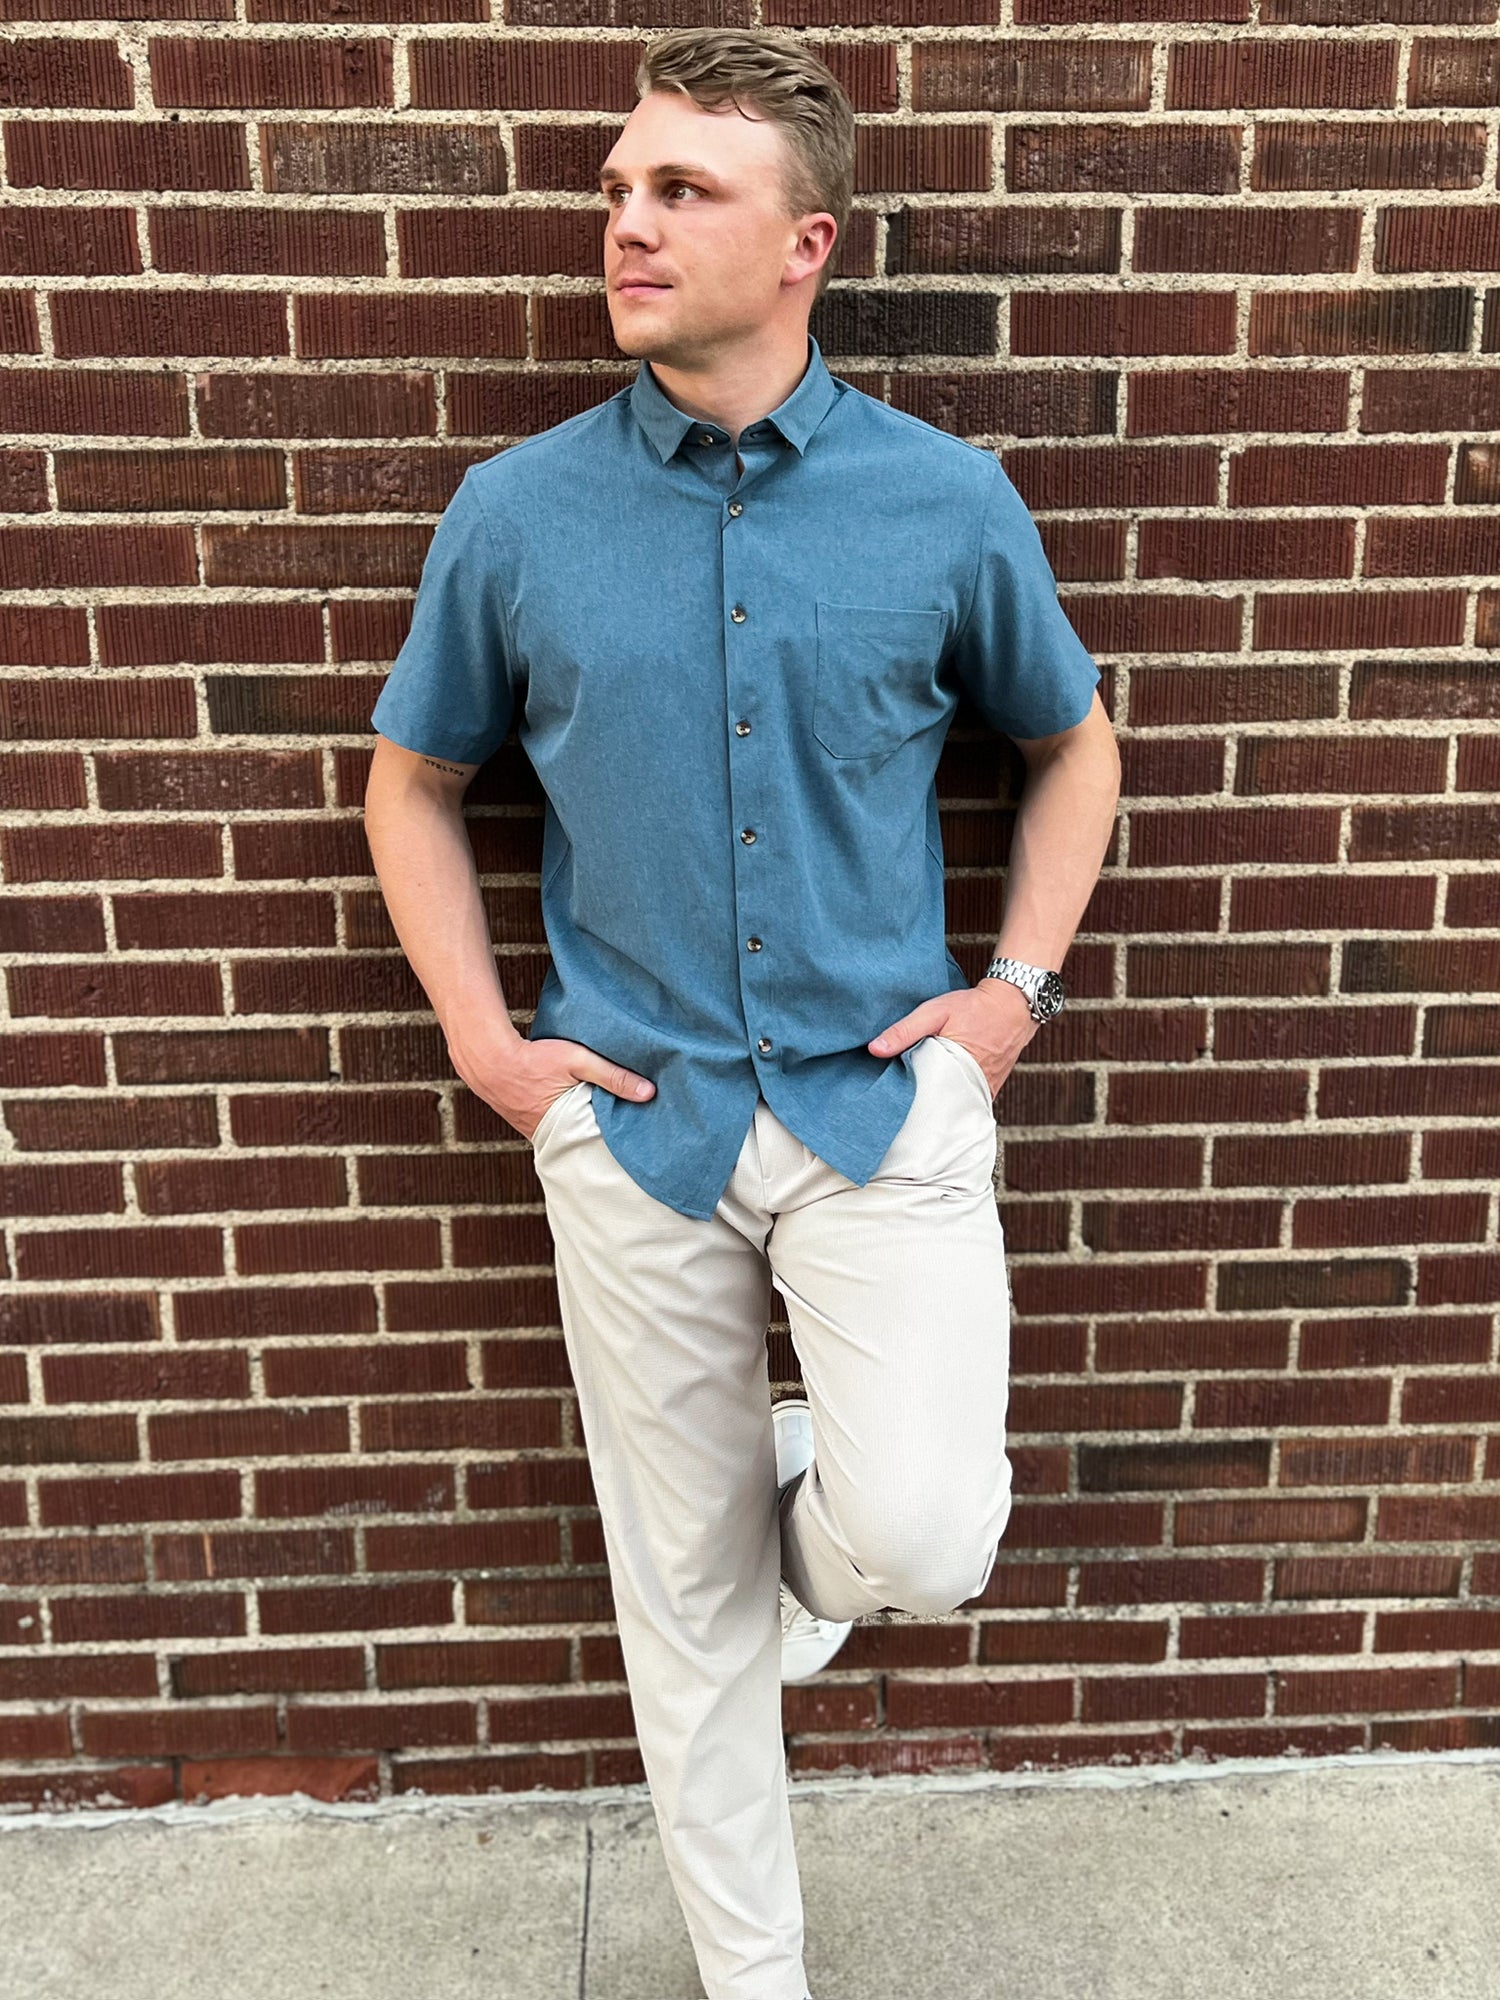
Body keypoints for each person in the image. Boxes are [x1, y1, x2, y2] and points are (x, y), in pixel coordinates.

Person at [363, 27, 1121, 2000]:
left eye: (681, 190)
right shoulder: (514, 512)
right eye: (618, 189)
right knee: (682, 1610)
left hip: (884, 1102)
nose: (627, 223)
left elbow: (1073, 743)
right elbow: (412, 782)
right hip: (634, 1116)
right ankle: (753, 1975)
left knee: (927, 1535)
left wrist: (1011, 998)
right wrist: (490, 1049)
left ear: (806, 243)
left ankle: (809, 1511)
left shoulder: (945, 501)